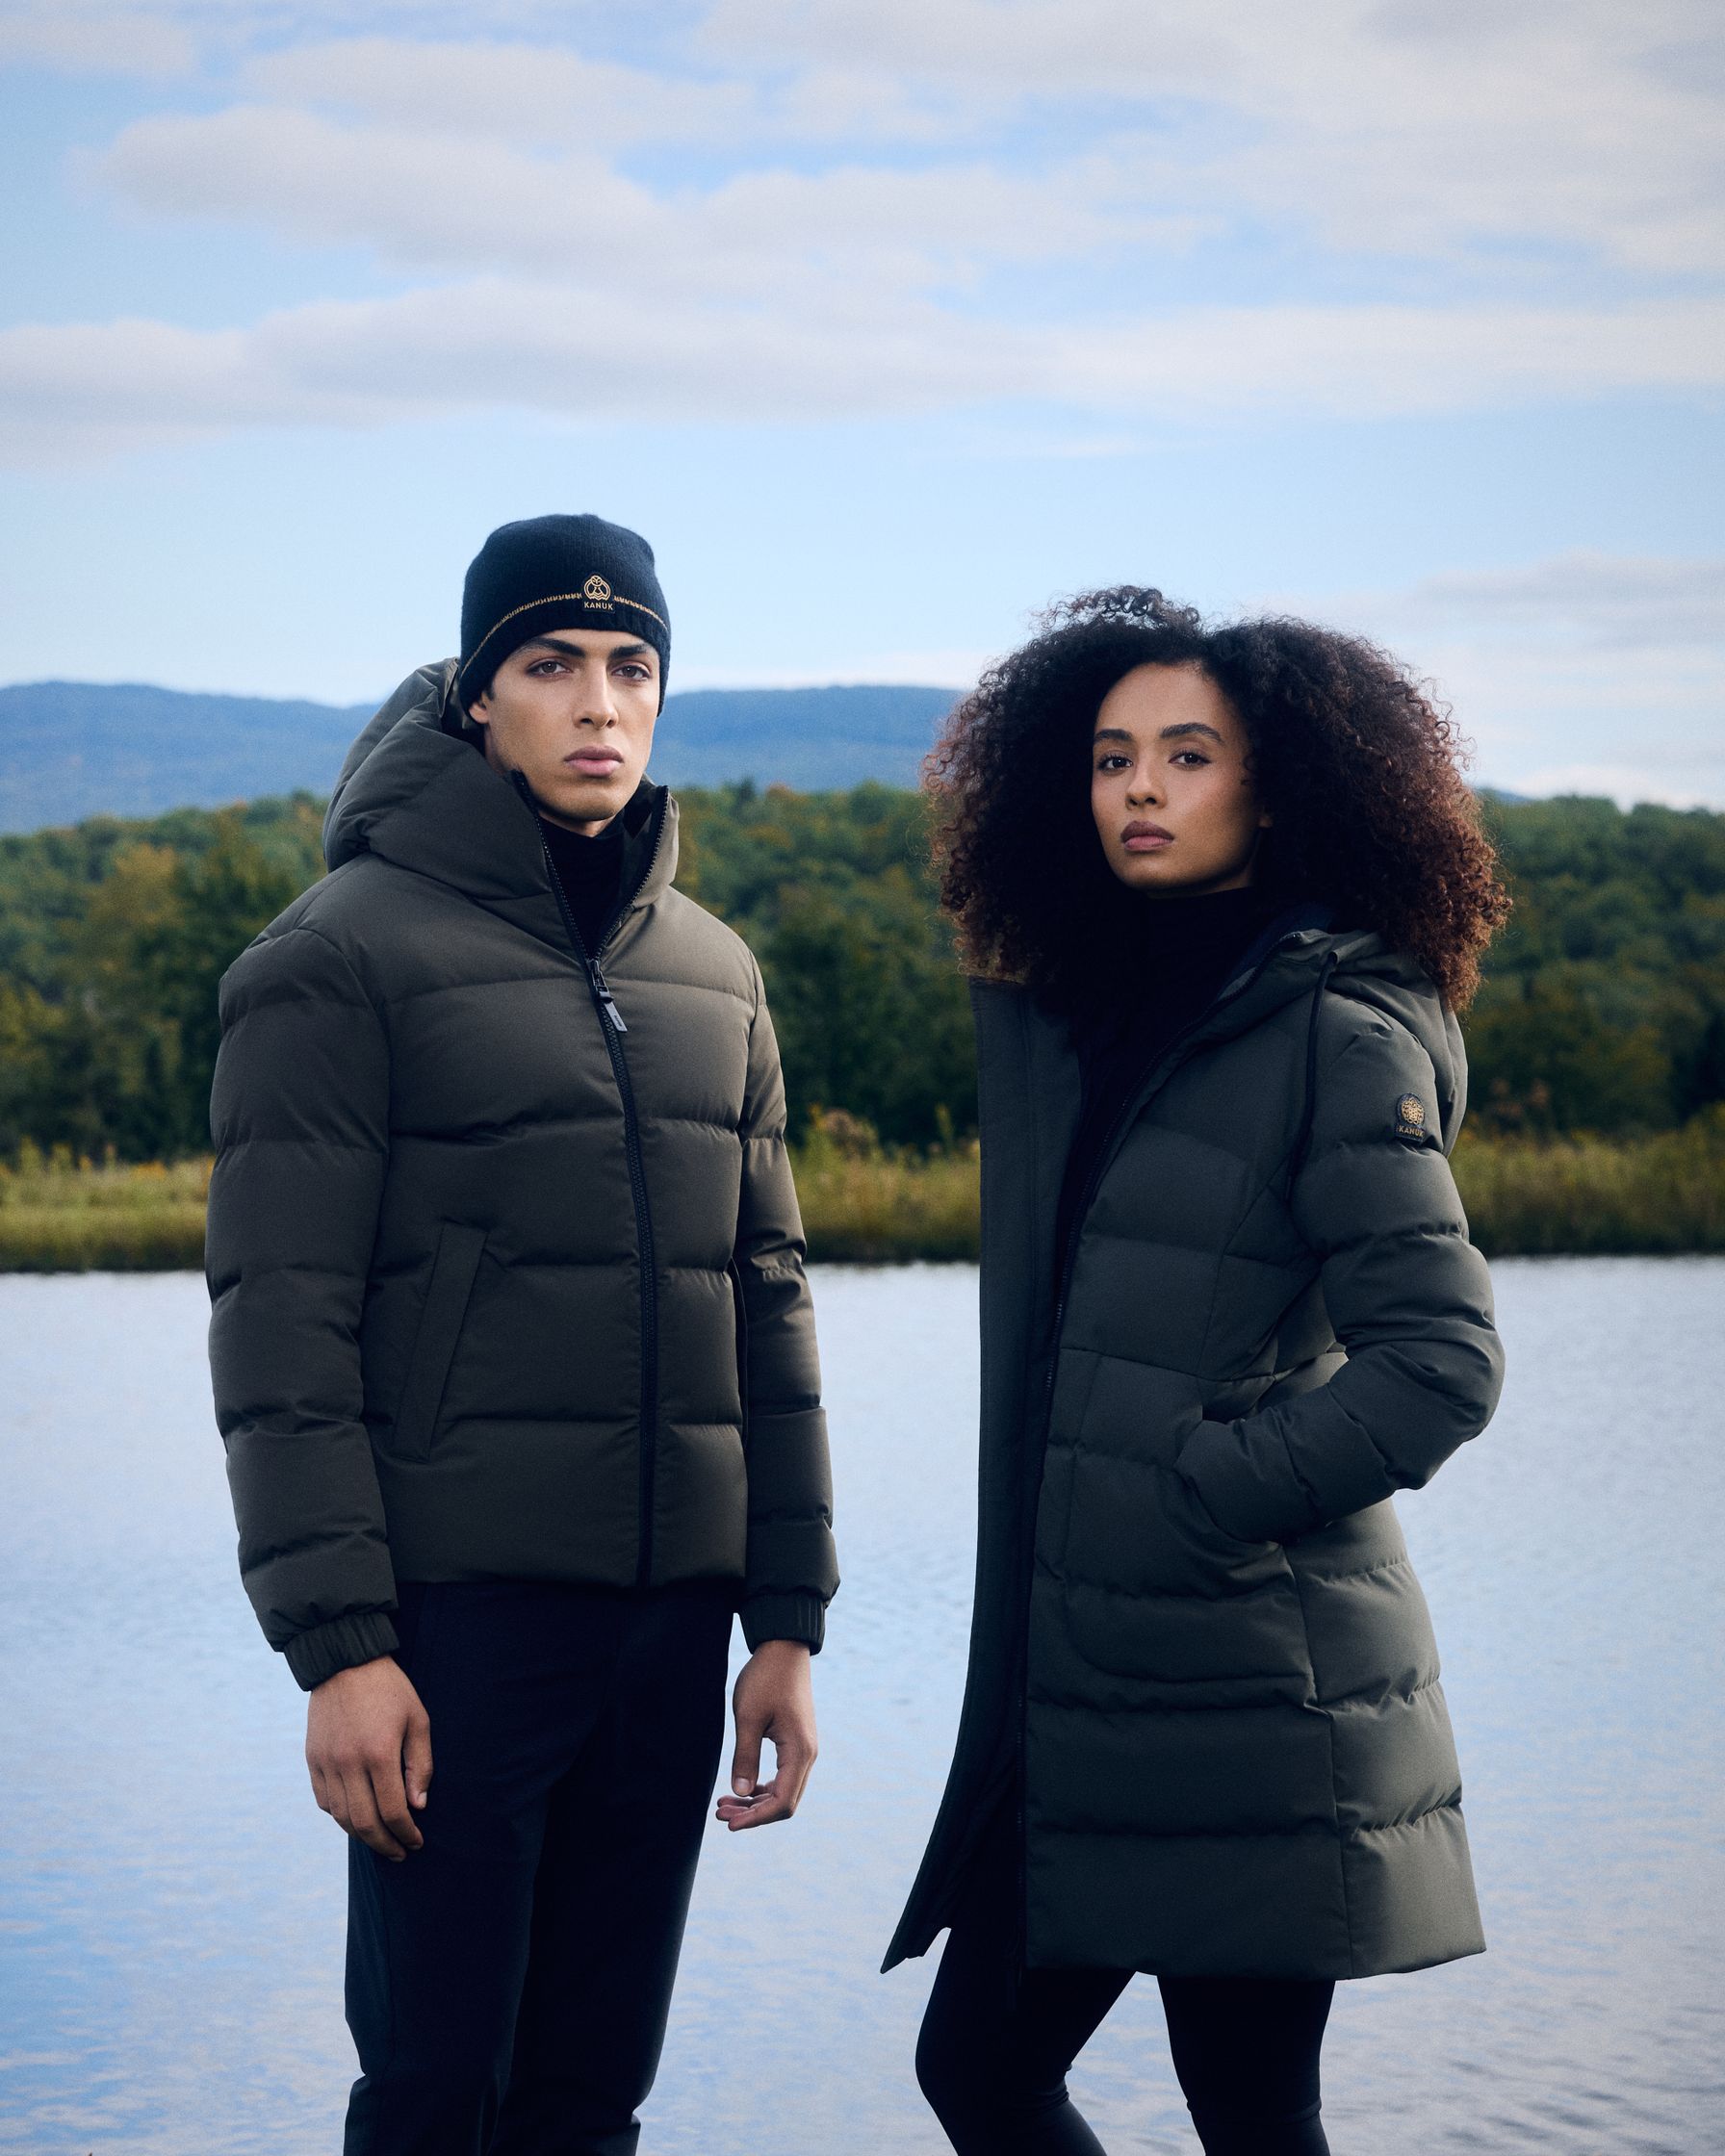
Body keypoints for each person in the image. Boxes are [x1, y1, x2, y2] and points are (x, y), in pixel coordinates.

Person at [206, 513, 838, 2156]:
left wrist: (787, 1615)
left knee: (590, 2101)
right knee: (434, 2094)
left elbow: (764, 1296)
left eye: (633, 668)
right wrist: (342, 1649)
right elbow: (281, 1334)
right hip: (456, 1630)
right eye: (550, 666)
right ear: (477, 697)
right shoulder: (337, 958)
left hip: (673, 1626)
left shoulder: (715, 971)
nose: (598, 704)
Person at [887, 587, 1508, 2154]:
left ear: (1280, 786)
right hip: (1090, 1690)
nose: (1139, 789)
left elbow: (1441, 1362)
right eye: (1108, 758)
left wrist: (1203, 1487)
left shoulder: (1336, 1029)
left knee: (1246, 2118)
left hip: (1245, 1688)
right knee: (978, 2068)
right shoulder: (1095, 1018)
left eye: (1185, 754)